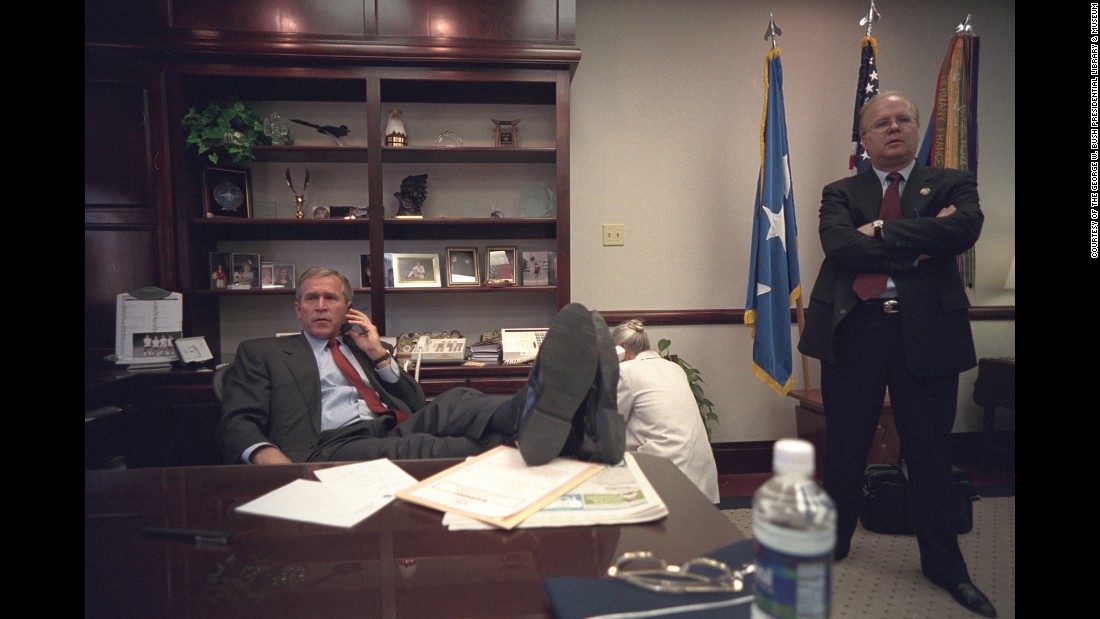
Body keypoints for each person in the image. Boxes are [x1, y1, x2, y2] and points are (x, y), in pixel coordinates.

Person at [797, 92, 994, 617]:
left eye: (903, 119)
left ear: (915, 129)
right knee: (844, 448)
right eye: (881, 122)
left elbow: (963, 229)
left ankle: (945, 565)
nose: (894, 127)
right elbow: (840, 247)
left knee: (929, 454)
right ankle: (832, 545)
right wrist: (924, 243)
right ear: (864, 139)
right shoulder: (840, 190)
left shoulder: (952, 183)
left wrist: (882, 230)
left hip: (928, 333)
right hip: (854, 331)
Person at [216, 266, 622, 466]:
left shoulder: (362, 348)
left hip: (393, 423)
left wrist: (379, 354)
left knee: (460, 398)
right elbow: (237, 422)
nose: (320, 306)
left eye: (330, 299)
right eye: (310, 298)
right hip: (330, 445)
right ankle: (579, 436)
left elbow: (417, 402)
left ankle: (535, 403)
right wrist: (274, 463)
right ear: (297, 308)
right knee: (449, 448)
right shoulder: (262, 352)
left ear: (348, 309)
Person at [610, 319, 719, 503]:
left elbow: (611, 423)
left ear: (619, 349)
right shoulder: (674, 368)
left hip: (665, 474)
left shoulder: (625, 371)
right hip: (701, 475)